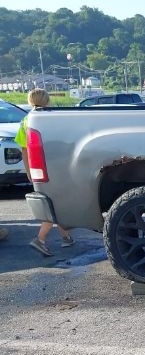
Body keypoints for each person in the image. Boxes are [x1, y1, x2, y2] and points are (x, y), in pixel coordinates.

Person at [15, 88, 74, 256]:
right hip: (52, 167)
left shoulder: (26, 120)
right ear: (46, 101)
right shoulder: (49, 118)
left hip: (37, 169)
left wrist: (28, 171)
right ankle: (40, 239)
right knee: (55, 204)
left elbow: (24, 149)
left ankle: (66, 236)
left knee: (52, 202)